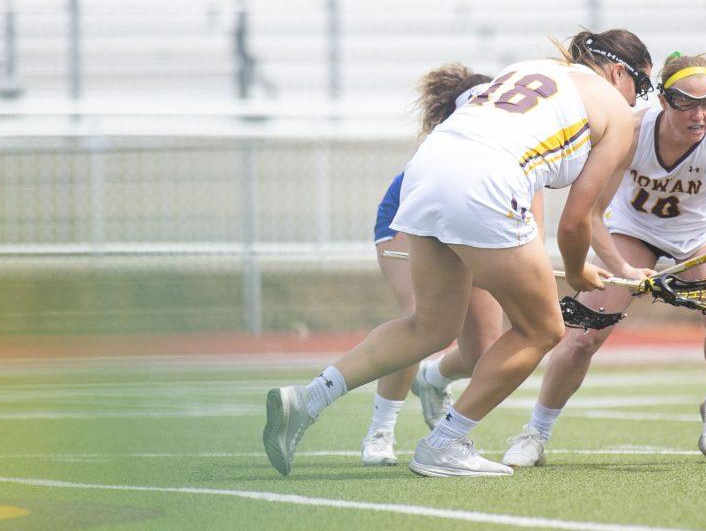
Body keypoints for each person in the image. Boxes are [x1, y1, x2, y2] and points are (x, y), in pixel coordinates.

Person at [263, 29, 653, 477]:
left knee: (428, 325)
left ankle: (308, 400)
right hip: (485, 180)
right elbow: (575, 221)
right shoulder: (616, 116)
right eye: (639, 89)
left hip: (426, 168)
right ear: (619, 72)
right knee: (542, 328)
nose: (636, 103)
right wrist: (579, 271)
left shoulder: (528, 68)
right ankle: (444, 444)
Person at [502, 52, 706, 467]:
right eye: (687, 103)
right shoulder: (631, 132)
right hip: (631, 232)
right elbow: (591, 215)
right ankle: (535, 433)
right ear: (663, 100)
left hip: (700, 238)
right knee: (583, 335)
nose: (700, 115)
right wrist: (620, 268)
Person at [362, 63, 516, 467]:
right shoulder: (453, 146)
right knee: (421, 320)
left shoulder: (519, 145)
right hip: (413, 214)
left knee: (483, 351)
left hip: (477, 221)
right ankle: (381, 429)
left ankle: (434, 379)